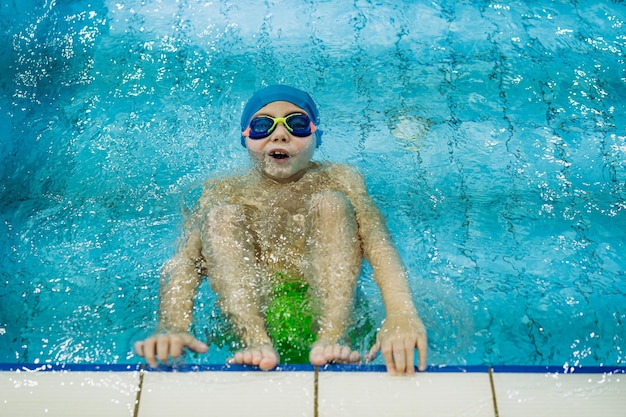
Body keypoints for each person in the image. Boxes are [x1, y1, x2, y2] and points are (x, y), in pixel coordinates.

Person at [134, 85, 428, 375]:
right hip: (251, 315)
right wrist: (172, 325)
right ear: (245, 138)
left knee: (331, 204)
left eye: (297, 123)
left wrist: (401, 312)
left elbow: (378, 241)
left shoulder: (340, 178)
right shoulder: (223, 189)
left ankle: (332, 337)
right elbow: (186, 261)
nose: (280, 134)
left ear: (316, 136)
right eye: (262, 126)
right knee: (221, 215)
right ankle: (254, 340)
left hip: (334, 313)